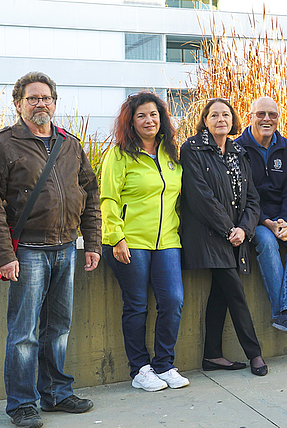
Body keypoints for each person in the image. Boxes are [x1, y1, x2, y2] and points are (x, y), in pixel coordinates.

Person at [0, 72, 101, 428]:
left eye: (45, 98)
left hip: (66, 248)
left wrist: (91, 242)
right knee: (24, 334)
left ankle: (56, 393)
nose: (40, 104)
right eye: (32, 98)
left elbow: (90, 195)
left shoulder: (70, 144)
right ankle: (21, 403)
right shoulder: (3, 144)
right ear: (18, 104)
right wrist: (3, 256)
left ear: (54, 102)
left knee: (59, 327)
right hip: (28, 251)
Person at [100, 92, 188, 393]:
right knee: (136, 305)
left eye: (154, 114)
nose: (149, 120)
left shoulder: (171, 153)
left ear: (162, 118)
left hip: (167, 241)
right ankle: (140, 369)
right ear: (131, 121)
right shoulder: (119, 154)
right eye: (142, 116)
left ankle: (164, 364)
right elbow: (108, 199)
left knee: (173, 300)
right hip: (131, 241)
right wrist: (116, 238)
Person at [180, 98, 268, 376]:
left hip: (235, 236)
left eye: (226, 114)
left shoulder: (238, 151)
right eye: (214, 114)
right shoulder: (192, 149)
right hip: (209, 235)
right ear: (204, 119)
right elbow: (199, 197)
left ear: (233, 120)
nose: (221, 119)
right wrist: (228, 229)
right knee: (235, 293)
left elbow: (252, 198)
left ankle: (212, 355)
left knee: (220, 295)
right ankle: (255, 354)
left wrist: (244, 229)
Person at [236, 97, 287, 342]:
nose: (267, 119)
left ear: (279, 118)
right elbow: (242, 196)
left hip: (283, 215)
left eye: (272, 114)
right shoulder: (238, 149)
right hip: (252, 218)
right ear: (250, 116)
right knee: (268, 242)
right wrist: (267, 222)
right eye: (261, 114)